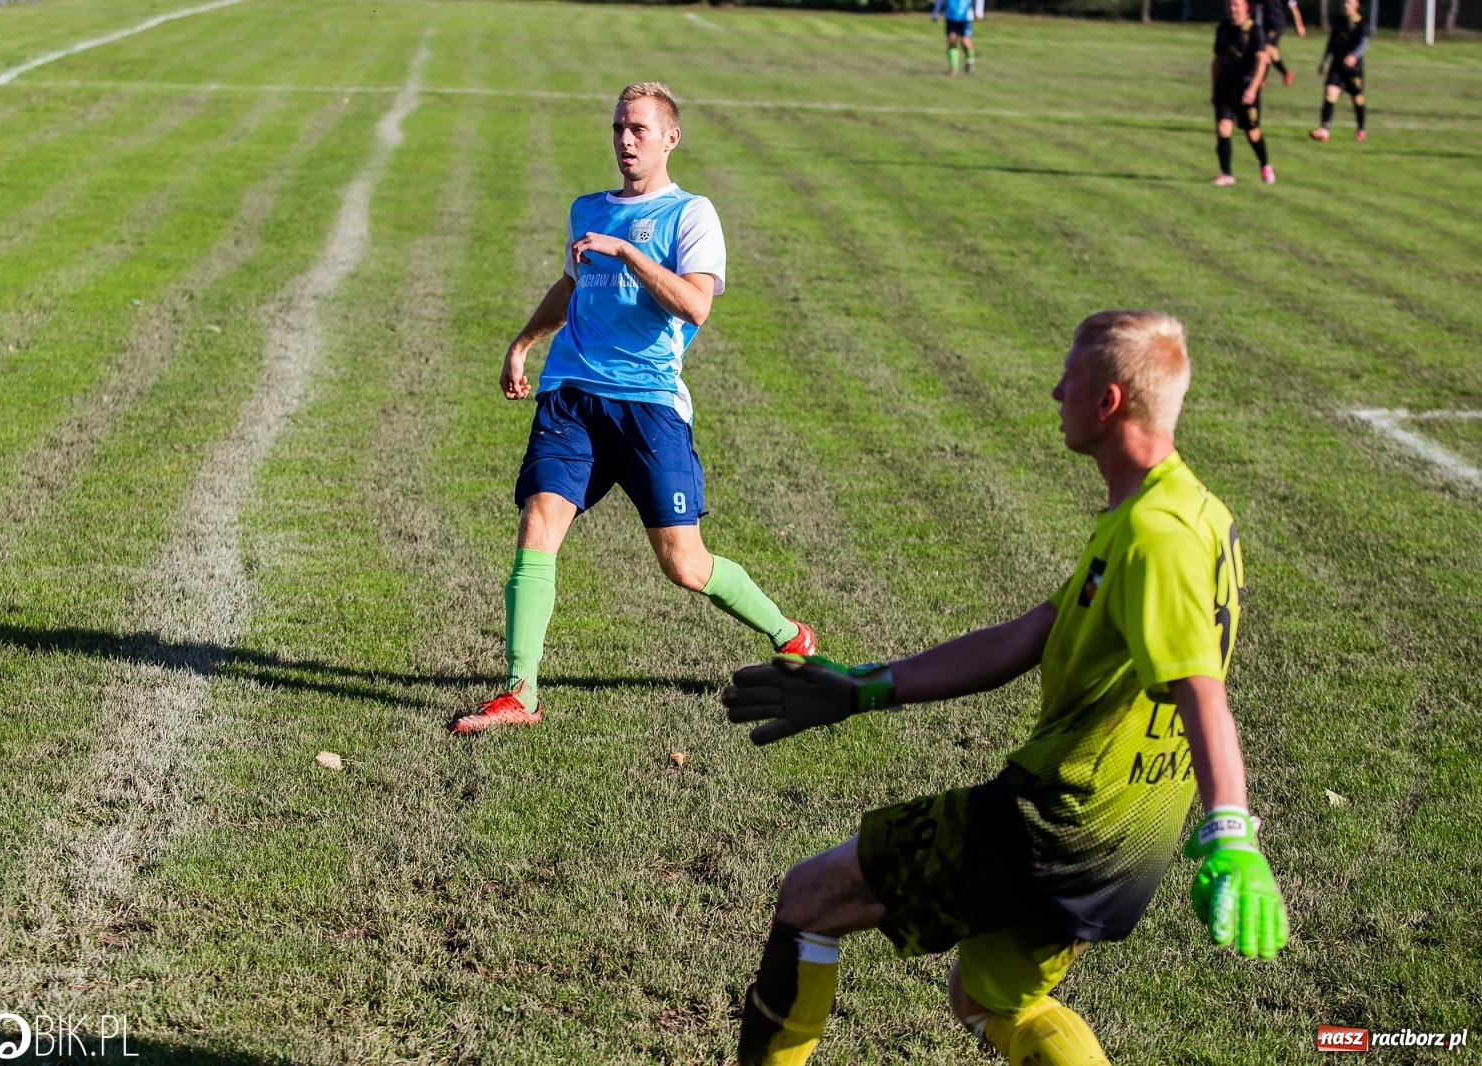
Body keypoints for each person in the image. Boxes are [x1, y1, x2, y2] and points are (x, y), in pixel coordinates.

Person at [723, 310, 1289, 1066]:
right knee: (989, 999)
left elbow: (1201, 692)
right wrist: (866, 688)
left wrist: (1233, 834)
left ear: (1108, 402)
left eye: (1070, 380)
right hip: (1133, 831)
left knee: (811, 900)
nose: (1055, 391)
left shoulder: (1157, 536)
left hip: (1061, 819)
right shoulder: (1186, 510)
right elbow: (1032, 633)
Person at [448, 82, 816, 736]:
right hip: (572, 395)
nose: (625, 140)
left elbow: (695, 304)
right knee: (538, 523)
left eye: (639, 129)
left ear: (670, 137)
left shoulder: (691, 215)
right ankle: (519, 692)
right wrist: (523, 344)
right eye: (619, 127)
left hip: (649, 405)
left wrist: (628, 250)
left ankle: (790, 637)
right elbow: (571, 282)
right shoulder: (586, 209)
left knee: (685, 565)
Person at [1211, 0, 1274, 186]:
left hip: (1245, 87)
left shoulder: (1255, 31)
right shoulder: (1223, 29)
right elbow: (1217, 60)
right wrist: (1214, 87)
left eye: (1237, 5)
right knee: (1223, 127)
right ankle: (1227, 173)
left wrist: (1253, 89)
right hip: (1225, 86)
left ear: (1246, 8)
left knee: (1252, 132)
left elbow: (1262, 61)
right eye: (1230, 5)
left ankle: (1265, 164)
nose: (1232, 9)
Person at [1310, 0, 1369, 142]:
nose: (1346, 5)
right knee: (1330, 93)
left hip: (1353, 70)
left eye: (1349, 3)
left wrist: (1354, 55)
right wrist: (1325, 60)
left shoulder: (1361, 23)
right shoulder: (1338, 20)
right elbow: (1332, 41)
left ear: (1357, 5)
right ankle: (1324, 130)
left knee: (1357, 98)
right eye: (1344, 3)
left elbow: (1364, 43)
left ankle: (1361, 127)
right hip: (1336, 65)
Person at [1258, 0, 1307, 87]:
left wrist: (1299, 25)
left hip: (1276, 25)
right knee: (1271, 53)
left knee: (1268, 48)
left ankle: (1262, 79)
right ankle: (1286, 73)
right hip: (1264, 25)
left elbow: (1294, 8)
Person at [931, 0, 976, 75]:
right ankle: (953, 68)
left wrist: (978, 10)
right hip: (951, 16)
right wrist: (935, 12)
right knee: (951, 40)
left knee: (964, 41)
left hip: (965, 17)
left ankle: (970, 60)